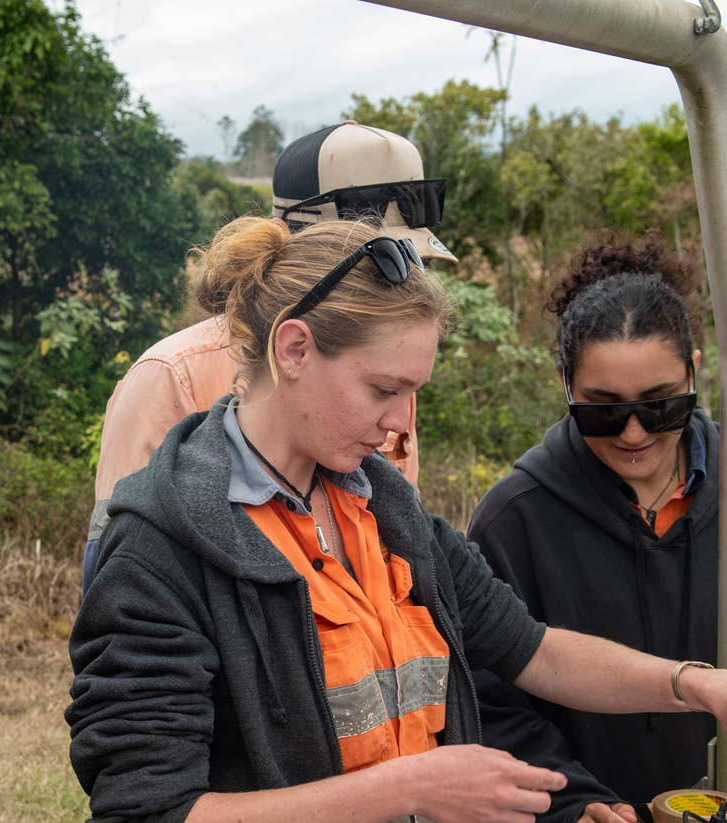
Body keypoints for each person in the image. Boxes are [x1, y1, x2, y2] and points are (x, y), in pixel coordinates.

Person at [67, 215, 727, 823]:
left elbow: (532, 648)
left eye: (413, 390)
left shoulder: (383, 507)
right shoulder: (161, 549)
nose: (401, 420)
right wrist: (411, 786)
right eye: (384, 389)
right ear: (294, 349)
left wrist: (705, 686)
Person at [468, 231, 727, 823]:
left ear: (698, 372)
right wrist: (568, 813)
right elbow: (489, 706)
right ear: (564, 387)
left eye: (661, 405)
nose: (635, 433)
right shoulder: (514, 519)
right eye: (603, 410)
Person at [83, 120, 457, 590]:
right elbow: (120, 578)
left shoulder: (385, 373)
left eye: (405, 267)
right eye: (361, 268)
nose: (385, 292)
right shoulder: (176, 375)